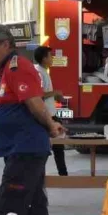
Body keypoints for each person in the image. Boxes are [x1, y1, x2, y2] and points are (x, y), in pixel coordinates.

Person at [0, 24, 64, 215]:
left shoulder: (18, 67)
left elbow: (34, 103)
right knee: (32, 203)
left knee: (11, 202)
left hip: (26, 149)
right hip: (20, 148)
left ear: (5, 44)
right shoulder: (9, 68)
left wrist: (51, 126)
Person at [33, 45, 68, 177]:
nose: (52, 58)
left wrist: (55, 95)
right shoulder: (39, 73)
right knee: (47, 147)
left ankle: (63, 175)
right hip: (46, 116)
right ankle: (39, 173)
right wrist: (55, 92)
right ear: (43, 59)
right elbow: (38, 95)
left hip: (52, 114)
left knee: (58, 146)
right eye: (50, 56)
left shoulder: (44, 71)